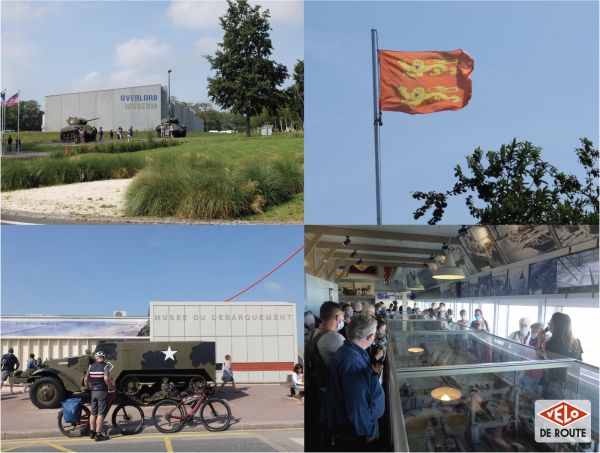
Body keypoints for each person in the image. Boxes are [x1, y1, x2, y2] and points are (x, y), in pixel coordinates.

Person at [325, 315, 385, 450]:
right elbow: (357, 405)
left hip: (354, 424)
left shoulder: (350, 351)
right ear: (370, 337)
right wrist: (368, 433)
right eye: (374, 334)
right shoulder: (353, 362)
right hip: (358, 432)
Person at [305, 301, 345, 451]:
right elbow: (351, 361)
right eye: (341, 316)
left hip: (315, 389)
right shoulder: (335, 339)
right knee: (327, 433)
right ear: (336, 316)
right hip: (328, 392)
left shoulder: (313, 333)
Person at [542, 313, 583, 399]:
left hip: (554, 380)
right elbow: (580, 361)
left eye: (551, 321)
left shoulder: (552, 342)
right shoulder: (577, 342)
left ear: (556, 324)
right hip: (571, 383)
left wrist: (540, 341)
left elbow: (543, 359)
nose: (549, 323)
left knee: (551, 407)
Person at [84, 351, 114, 441]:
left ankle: (92, 432)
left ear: (96, 358)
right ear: (103, 357)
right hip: (102, 392)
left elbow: (86, 379)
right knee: (101, 413)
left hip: (93, 392)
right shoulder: (105, 366)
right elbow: (106, 378)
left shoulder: (90, 366)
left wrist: (88, 387)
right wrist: (111, 387)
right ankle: (98, 434)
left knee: (93, 413)